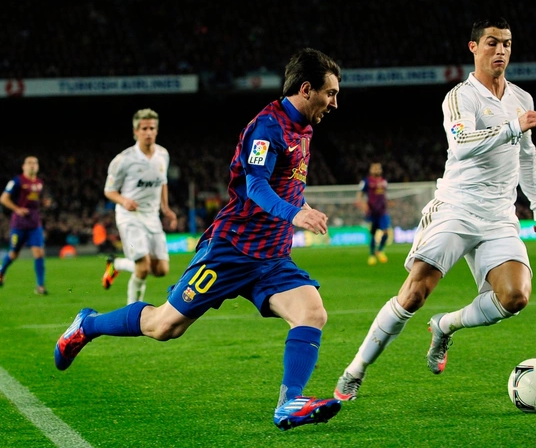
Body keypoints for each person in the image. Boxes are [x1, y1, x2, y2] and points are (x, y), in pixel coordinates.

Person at [55, 48, 343, 431]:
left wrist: (301, 205)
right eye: (330, 93)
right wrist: (295, 214)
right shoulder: (267, 127)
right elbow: (256, 186)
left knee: (312, 313)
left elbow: (284, 183)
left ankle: (290, 403)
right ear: (306, 89)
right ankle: (87, 325)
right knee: (164, 327)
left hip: (272, 257)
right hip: (232, 250)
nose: (334, 103)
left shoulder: (304, 128)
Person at [334, 16, 536, 401]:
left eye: (506, 43)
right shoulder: (460, 96)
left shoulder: (522, 98)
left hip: (499, 217)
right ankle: (356, 369)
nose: (500, 50)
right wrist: (512, 127)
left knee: (515, 297)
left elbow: (526, 156)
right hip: (457, 208)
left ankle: (445, 326)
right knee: (414, 294)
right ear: (474, 47)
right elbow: (462, 145)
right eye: (492, 42)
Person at [101, 108, 178, 304]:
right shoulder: (123, 160)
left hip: (151, 216)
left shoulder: (163, 155)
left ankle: (117, 264)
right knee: (143, 267)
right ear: (136, 132)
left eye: (152, 128)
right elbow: (109, 190)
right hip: (130, 217)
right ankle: (132, 311)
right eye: (144, 128)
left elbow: (162, 182)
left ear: (157, 130)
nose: (148, 132)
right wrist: (124, 200)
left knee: (161, 270)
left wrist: (166, 209)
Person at [0, 156, 49, 295]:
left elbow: (35, 200)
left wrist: (43, 203)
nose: (32, 165)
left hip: (34, 223)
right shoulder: (17, 181)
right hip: (19, 224)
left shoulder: (39, 183)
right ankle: (1, 272)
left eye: (35, 163)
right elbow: (3, 198)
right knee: (14, 254)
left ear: (38, 166)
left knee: (39, 252)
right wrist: (17, 209)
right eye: (29, 163)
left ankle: (40, 286)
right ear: (24, 166)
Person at [356, 162, 391, 266]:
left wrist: (387, 203)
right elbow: (359, 195)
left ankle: (379, 251)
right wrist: (364, 206)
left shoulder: (384, 181)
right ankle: (371, 255)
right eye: (374, 168)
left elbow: (384, 195)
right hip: (372, 212)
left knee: (386, 232)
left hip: (382, 212)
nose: (377, 170)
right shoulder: (366, 181)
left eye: (378, 168)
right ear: (370, 170)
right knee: (373, 233)